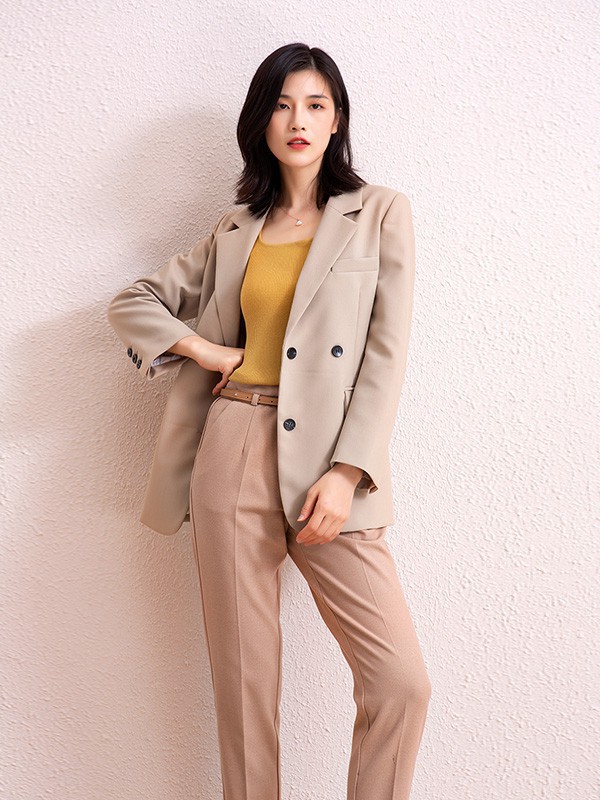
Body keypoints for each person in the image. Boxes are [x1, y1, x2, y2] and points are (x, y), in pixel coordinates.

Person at [107, 42, 431, 800]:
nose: (299, 120)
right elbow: (131, 302)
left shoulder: (379, 212)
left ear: (337, 120)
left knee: (401, 683)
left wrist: (347, 472)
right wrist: (202, 349)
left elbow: (385, 355)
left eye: (316, 105)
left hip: (331, 464)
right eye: (282, 105)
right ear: (261, 121)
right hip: (232, 449)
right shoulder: (234, 230)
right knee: (245, 692)